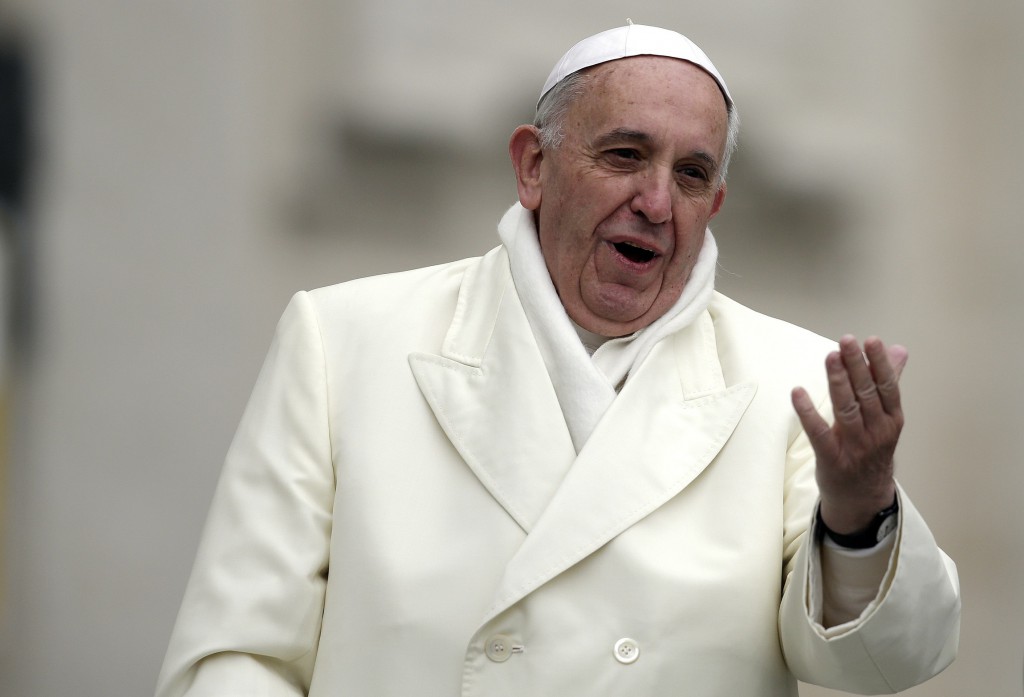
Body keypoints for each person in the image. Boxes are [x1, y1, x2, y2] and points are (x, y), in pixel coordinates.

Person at [155, 23, 959, 697]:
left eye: (690, 174)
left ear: (715, 204)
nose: (654, 201)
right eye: (623, 155)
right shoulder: (345, 338)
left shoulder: (793, 382)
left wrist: (860, 514)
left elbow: (880, 661)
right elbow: (240, 652)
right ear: (533, 166)